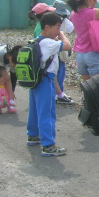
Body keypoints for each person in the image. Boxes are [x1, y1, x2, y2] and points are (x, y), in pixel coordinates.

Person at [25, 12, 72, 156]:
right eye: (57, 27)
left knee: (35, 109)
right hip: (46, 80)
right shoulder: (49, 43)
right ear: (47, 27)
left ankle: (33, 135)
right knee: (47, 112)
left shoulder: (37, 40)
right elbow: (68, 46)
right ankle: (48, 145)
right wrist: (63, 34)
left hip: (36, 80)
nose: (58, 30)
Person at [0, 43, 21, 114]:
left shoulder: (14, 59)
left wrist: (11, 91)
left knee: (7, 78)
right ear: (10, 59)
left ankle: (10, 103)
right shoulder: (0, 52)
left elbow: (13, 78)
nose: (14, 67)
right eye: (14, 65)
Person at [52, 0, 75, 104]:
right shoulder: (67, 22)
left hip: (51, 48)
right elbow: (70, 33)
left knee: (51, 72)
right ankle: (59, 93)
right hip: (61, 49)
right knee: (60, 70)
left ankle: (54, 93)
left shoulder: (50, 20)